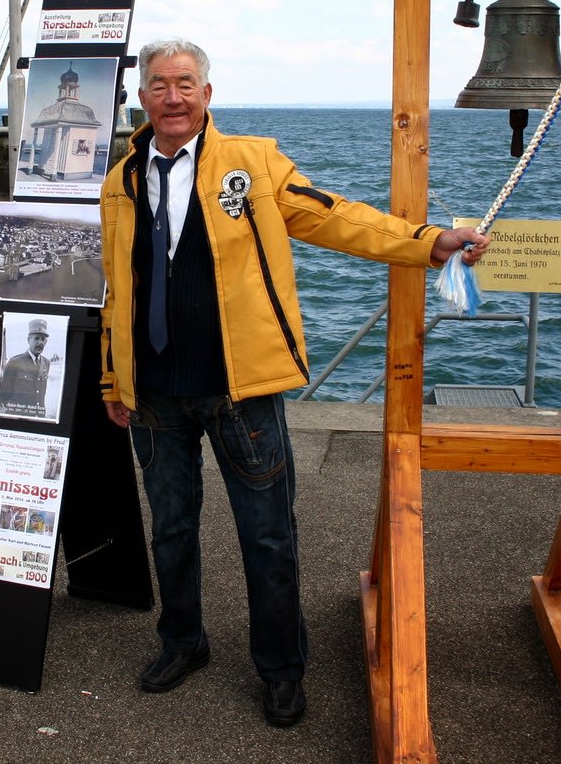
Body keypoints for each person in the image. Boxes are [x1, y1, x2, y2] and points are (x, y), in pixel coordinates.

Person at [98, 38, 489, 728]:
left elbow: (335, 215)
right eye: (159, 84)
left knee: (269, 536)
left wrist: (426, 242)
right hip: (153, 391)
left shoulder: (253, 162)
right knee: (171, 530)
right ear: (142, 97)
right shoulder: (121, 179)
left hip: (240, 389)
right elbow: (113, 287)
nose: (173, 97)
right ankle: (182, 641)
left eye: (185, 83)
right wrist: (112, 380)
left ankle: (281, 668)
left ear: (207, 94)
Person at [0, 318, 51, 417]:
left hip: (39, 416)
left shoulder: (46, 363)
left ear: (46, 342)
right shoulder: (15, 362)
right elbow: (4, 394)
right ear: (28, 340)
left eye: (43, 339)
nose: (40, 342)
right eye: (36, 338)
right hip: (19, 416)